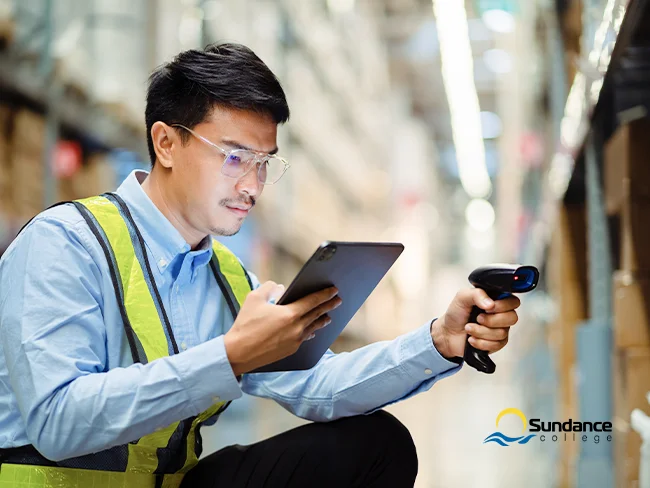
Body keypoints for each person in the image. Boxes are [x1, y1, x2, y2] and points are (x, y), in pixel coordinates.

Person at [0, 43, 521, 488]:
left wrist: (438, 341)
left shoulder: (228, 280)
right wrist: (229, 357)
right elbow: (56, 421)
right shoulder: (66, 243)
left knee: (378, 444)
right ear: (166, 143)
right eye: (233, 157)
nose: (252, 186)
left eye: (263, 162)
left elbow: (323, 385)